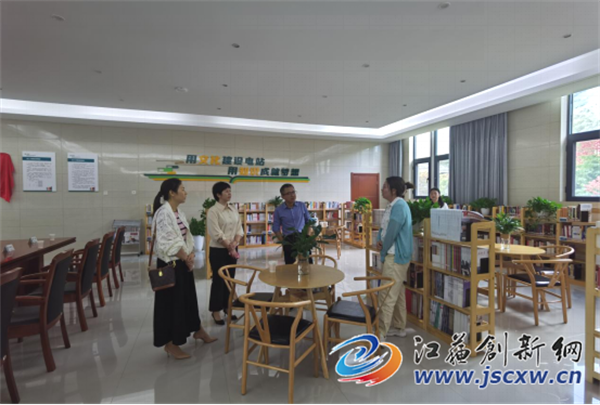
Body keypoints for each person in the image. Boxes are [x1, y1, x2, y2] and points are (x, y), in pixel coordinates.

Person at [152, 178, 216, 360]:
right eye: (182, 189)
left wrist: (189, 255)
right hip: (170, 264)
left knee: (188, 299)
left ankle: (198, 329)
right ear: (172, 193)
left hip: (182, 262)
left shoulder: (178, 211)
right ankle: (171, 343)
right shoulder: (163, 213)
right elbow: (168, 242)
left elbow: (185, 238)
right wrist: (185, 257)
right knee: (173, 304)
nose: (185, 192)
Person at [375, 176, 413, 340]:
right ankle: (399, 326)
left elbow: (392, 233)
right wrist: (379, 240)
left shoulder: (399, 206)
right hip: (393, 253)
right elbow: (384, 228)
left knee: (387, 294)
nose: (381, 189)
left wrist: (383, 251)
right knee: (397, 293)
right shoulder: (392, 205)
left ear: (393, 191)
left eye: (385, 187)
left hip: (395, 255)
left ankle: (381, 332)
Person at [207, 181, 244, 325]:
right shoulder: (213, 211)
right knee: (218, 280)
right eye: (226, 191)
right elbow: (216, 233)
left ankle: (227, 307)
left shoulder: (233, 209)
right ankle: (215, 311)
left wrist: (235, 242)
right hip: (218, 250)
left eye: (230, 191)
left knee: (230, 279)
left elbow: (239, 228)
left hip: (232, 248)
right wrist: (230, 247)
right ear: (218, 194)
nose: (229, 193)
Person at [272, 184, 314, 264]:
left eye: (293, 192)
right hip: (289, 239)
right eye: (288, 193)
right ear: (283, 196)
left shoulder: (301, 206)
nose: (292, 195)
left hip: (302, 238)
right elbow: (276, 228)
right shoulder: (278, 210)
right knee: (290, 266)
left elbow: (309, 222)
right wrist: (284, 242)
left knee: (307, 263)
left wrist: (307, 236)